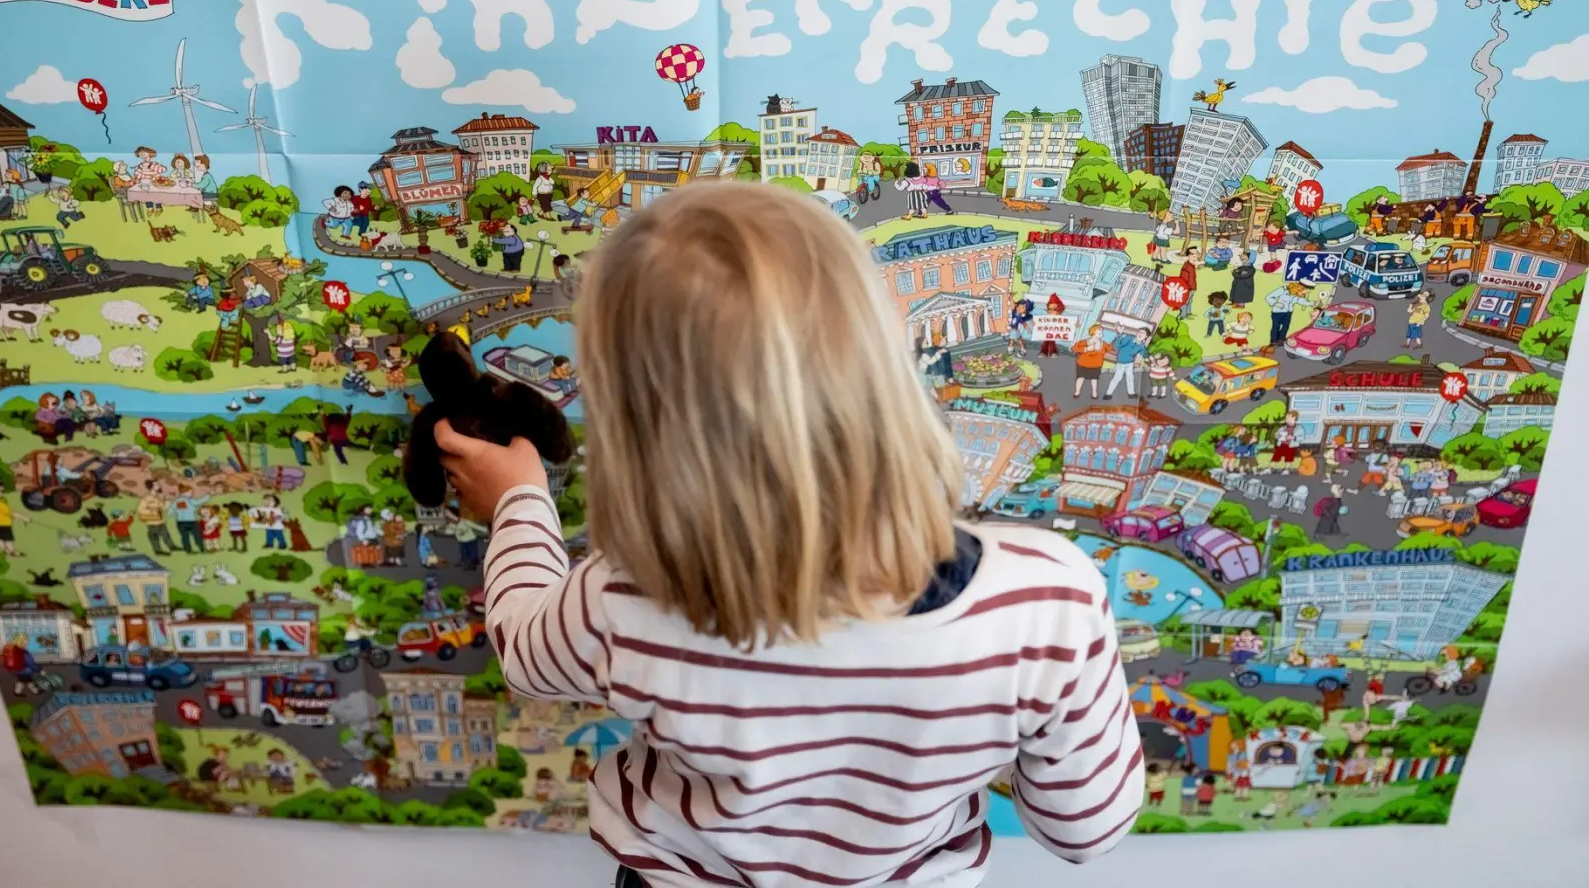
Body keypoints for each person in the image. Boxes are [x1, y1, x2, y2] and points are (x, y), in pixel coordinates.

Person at [433, 183, 1142, 885]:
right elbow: (1085, 829)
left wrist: (519, 498)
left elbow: (524, 649)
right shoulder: (1047, 604)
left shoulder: (622, 598)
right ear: (885, 355)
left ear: (637, 432)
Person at [1265, 281, 1314, 347]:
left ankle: (1281, 340)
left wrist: (1312, 303)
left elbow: (1300, 301)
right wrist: (1276, 303)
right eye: (1306, 290)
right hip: (1277, 312)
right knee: (1276, 327)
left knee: (1285, 327)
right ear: (1300, 288)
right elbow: (1268, 297)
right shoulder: (1283, 289)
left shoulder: (1296, 294)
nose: (1307, 292)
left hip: (1288, 313)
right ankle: (1273, 341)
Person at [1105, 327, 1150, 399]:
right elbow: (1116, 346)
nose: (1140, 334)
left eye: (1143, 333)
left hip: (1130, 363)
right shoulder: (1129, 338)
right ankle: (1108, 394)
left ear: (1146, 336)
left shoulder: (1141, 346)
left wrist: (1150, 360)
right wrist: (1120, 334)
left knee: (1130, 378)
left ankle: (1131, 394)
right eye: (1139, 332)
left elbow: (1145, 354)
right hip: (1121, 362)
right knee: (1117, 378)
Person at [136, 480, 177, 556]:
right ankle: (158, 551)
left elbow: (163, 508)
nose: (159, 485)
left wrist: (168, 500)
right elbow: (140, 510)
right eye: (157, 484)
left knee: (166, 535)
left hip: (161, 521)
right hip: (152, 523)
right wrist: (153, 512)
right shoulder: (146, 498)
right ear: (151, 486)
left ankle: (172, 547)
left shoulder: (157, 497)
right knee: (154, 537)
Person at [0, 479, 28, 557]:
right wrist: (23, 518)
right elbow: (10, 512)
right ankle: (12, 551)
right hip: (2, 523)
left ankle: (5, 550)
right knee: (7, 539)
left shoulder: (0, 499)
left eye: (0, 491)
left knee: (0, 537)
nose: (0, 492)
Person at [1072, 324, 1112, 399]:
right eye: (1099, 332)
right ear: (1093, 332)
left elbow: (1110, 349)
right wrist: (1086, 349)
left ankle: (1094, 393)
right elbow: (1074, 348)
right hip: (1083, 364)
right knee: (1080, 378)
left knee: (1094, 379)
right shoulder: (1085, 342)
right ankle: (1077, 391)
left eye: (1101, 332)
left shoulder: (1103, 344)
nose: (1101, 333)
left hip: (1096, 365)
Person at [170, 485, 206, 553]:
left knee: (187, 536)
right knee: (194, 536)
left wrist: (178, 516)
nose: (191, 493)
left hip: (184, 522)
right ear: (183, 493)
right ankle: (199, 548)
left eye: (191, 492)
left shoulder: (180, 501)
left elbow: (170, 512)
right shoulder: (186, 501)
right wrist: (208, 496)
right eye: (190, 492)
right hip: (189, 522)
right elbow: (199, 502)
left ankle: (192, 549)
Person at [133, 147, 166, 214]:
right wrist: (143, 176)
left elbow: (163, 169)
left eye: (143, 153)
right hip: (145, 183)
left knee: (156, 195)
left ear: (149, 153)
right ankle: (150, 208)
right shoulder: (141, 165)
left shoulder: (154, 164)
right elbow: (137, 173)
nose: (142, 155)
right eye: (140, 154)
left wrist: (153, 167)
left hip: (154, 183)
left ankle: (158, 207)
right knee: (146, 195)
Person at [1177, 246, 1201, 319]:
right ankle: (1183, 315)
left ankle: (1188, 313)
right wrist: (1186, 289)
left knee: (1190, 301)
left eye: (1197, 253)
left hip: (1192, 287)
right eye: (1194, 254)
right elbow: (1183, 280)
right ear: (1189, 256)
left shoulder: (1192, 265)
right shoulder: (1186, 267)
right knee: (1185, 301)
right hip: (1188, 288)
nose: (1196, 255)